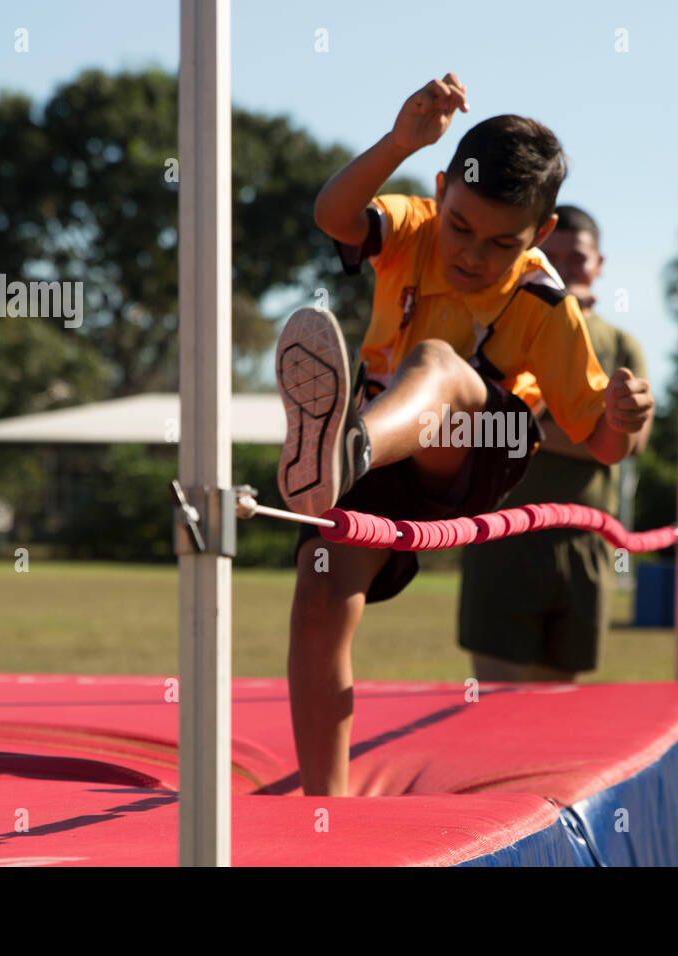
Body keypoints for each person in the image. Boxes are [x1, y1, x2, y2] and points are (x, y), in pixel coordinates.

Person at [245, 75, 654, 796]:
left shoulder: (545, 304)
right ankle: (323, 810)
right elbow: (334, 214)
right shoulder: (411, 227)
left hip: (477, 447)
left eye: (501, 243)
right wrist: (400, 140)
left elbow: (603, 448)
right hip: (376, 458)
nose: (469, 253)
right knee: (318, 603)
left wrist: (626, 419)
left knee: (434, 365)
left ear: (541, 236)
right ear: (441, 191)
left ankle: (345, 451)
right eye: (459, 225)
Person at [458, 205, 651, 681]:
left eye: (579, 258)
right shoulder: (497, 326)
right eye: (553, 255)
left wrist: (525, 427)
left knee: (558, 712)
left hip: (583, 543)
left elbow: (631, 441)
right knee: (494, 706)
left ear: (599, 265)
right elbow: (474, 425)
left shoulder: (621, 345)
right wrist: (589, 428)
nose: (567, 268)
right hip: (500, 536)